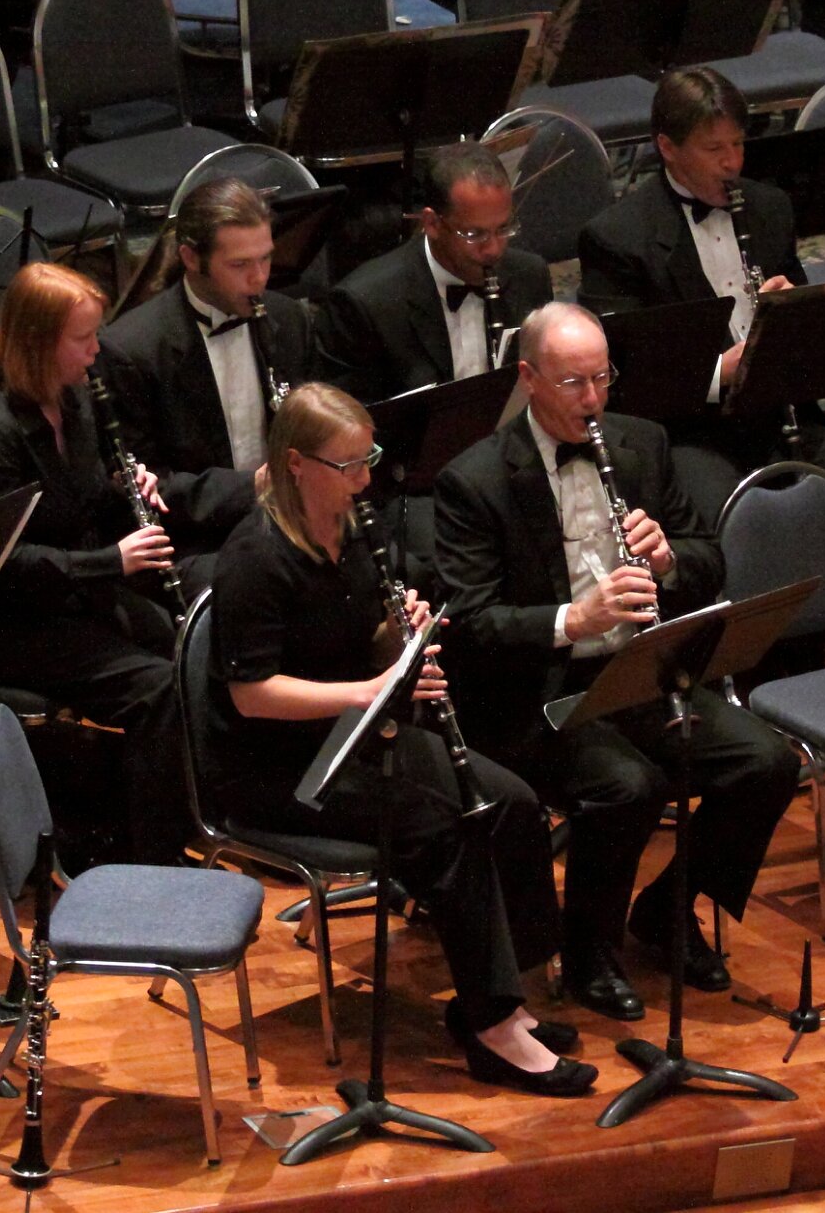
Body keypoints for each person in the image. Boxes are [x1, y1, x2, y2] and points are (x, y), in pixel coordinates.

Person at [211, 383, 587, 1094]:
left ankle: (506, 994)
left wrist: (401, 637)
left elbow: (368, 644)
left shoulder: (356, 529)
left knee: (509, 801)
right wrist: (371, 690)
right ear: (296, 464)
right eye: (347, 465)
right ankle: (492, 1029)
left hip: (356, 734)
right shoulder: (254, 556)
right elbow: (250, 694)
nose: (364, 479)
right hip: (279, 766)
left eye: (368, 459)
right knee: (445, 825)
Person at [434, 303, 801, 1022]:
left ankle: (666, 910)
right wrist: (574, 619)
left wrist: (668, 560)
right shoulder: (473, 481)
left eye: (603, 378)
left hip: (639, 669)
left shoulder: (642, 444)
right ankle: (587, 952)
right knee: (627, 785)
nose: (593, 399)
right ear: (528, 378)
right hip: (534, 694)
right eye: (573, 383)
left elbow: (708, 557)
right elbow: (469, 626)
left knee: (766, 763)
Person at [577, 66, 825, 542]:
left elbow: (812, 331)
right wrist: (718, 373)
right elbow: (624, 377)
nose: (732, 162)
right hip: (691, 430)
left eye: (738, 144)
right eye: (714, 149)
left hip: (779, 409)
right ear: (667, 147)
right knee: (731, 523)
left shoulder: (769, 207)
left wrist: (793, 311)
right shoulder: (618, 238)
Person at [0, 262, 188, 866]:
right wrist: (112, 561)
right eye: (82, 339)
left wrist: (124, 489)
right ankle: (151, 858)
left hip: (75, 601)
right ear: (37, 342)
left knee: (183, 646)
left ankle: (157, 819)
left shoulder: (76, 401)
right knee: (156, 688)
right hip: (13, 623)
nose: (95, 350)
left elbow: (82, 504)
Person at [98, 177, 315, 554]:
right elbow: (146, 484)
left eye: (265, 258)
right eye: (239, 264)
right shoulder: (132, 350)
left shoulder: (288, 317)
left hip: (293, 522)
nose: (259, 278)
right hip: (201, 544)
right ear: (190, 258)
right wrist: (254, 486)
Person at [314, 142, 552, 405]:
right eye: (474, 234)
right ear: (432, 224)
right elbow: (348, 420)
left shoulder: (529, 275)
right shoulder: (363, 305)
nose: (493, 249)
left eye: (503, 228)